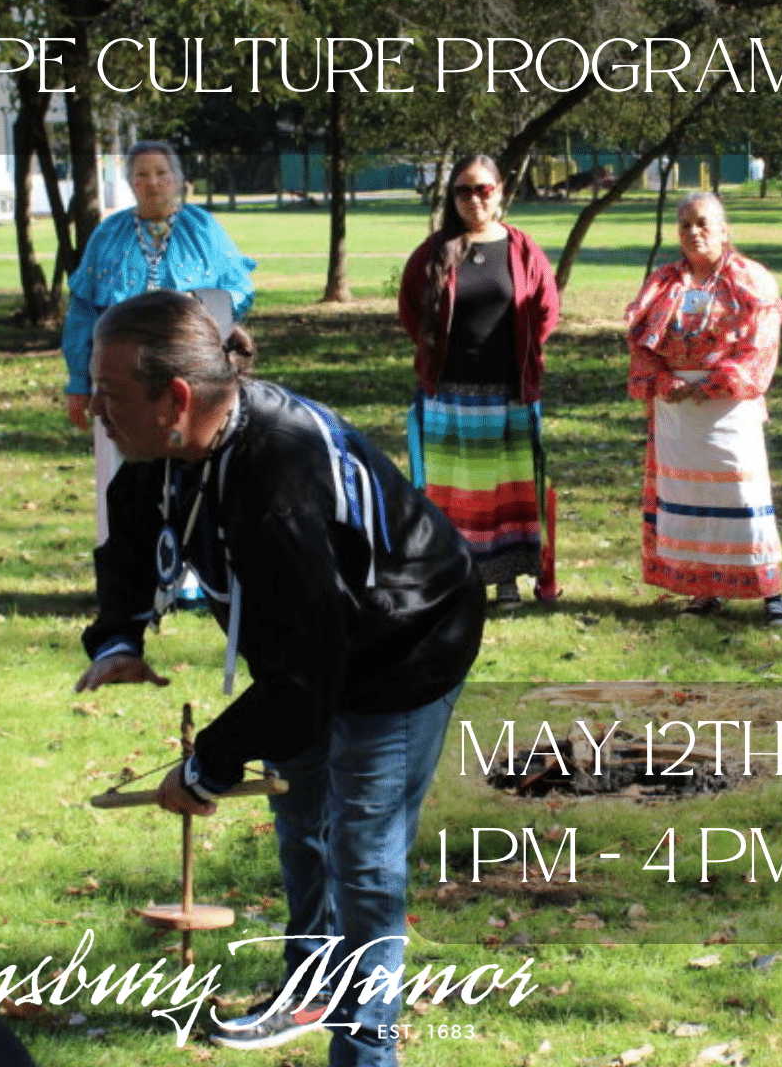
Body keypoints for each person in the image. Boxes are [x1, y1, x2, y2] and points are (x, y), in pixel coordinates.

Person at [74, 290, 485, 1066]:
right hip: (307, 647)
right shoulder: (167, 450)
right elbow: (132, 531)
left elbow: (308, 676)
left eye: (110, 392)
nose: (93, 407)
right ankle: (310, 987)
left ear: (178, 397)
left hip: (408, 640)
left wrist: (208, 765)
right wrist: (118, 637)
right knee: (302, 818)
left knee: (363, 853)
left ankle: (366, 1054)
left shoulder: (277, 474)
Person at [61, 139, 256, 548]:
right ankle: (127, 561)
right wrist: (80, 384)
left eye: (162, 173)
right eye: (142, 174)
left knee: (190, 464)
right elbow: (82, 311)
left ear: (179, 179)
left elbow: (238, 288)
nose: (153, 183)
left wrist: (202, 311)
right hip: (119, 377)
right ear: (130, 182)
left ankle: (192, 566)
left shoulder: (203, 229)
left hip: (186, 376)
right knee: (125, 471)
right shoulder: (108, 235)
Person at [399, 153, 560, 608]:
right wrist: (436, 356)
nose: (474, 199)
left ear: (501, 191)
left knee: (508, 492)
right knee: (453, 493)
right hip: (449, 395)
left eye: (483, 189)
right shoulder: (434, 251)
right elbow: (411, 312)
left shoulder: (523, 249)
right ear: (452, 197)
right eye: (463, 190)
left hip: (509, 393)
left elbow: (545, 309)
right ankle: (458, 576)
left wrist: (523, 355)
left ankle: (508, 579)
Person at [626, 192, 782, 627]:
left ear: (723, 229)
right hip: (676, 412)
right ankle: (705, 588)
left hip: (728, 409)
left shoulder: (750, 279)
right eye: (685, 225)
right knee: (689, 498)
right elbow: (640, 342)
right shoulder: (664, 282)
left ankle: (771, 593)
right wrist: (665, 381)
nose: (694, 232)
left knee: (744, 495)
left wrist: (720, 381)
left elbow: (762, 340)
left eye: (703, 222)